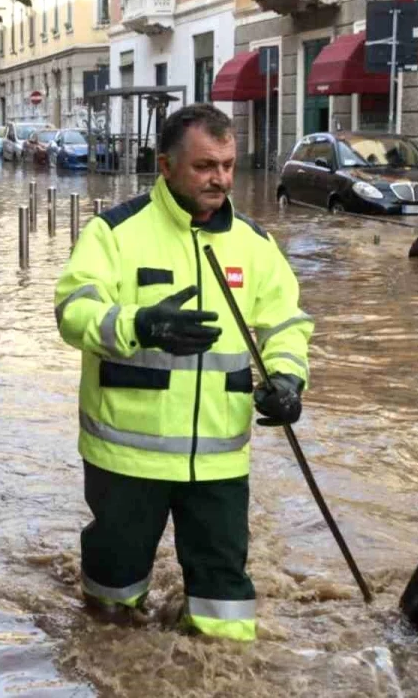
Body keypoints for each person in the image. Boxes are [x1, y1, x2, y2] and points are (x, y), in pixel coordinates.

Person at [53, 104, 313, 642]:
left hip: (219, 460)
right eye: (204, 166)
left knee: (225, 613)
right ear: (165, 166)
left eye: (228, 164)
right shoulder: (114, 233)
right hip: (126, 458)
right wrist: (141, 324)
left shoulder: (255, 244)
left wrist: (288, 379)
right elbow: (73, 313)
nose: (220, 178)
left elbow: (286, 323)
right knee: (111, 607)